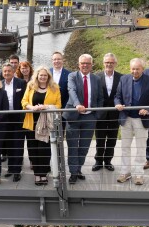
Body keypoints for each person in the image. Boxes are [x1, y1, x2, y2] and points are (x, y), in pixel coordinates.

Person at [114, 58, 149, 186]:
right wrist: (117, 104)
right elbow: (117, 96)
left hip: (142, 120)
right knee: (125, 147)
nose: (135, 71)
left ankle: (139, 174)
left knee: (141, 148)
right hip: (126, 118)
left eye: (137, 69)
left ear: (142, 69)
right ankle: (125, 172)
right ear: (130, 68)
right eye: (133, 69)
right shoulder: (124, 79)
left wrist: (148, 110)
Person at [64, 54, 104, 184]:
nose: (85, 65)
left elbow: (100, 98)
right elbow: (72, 90)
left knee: (84, 147)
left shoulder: (96, 79)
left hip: (90, 118)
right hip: (74, 117)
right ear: (78, 64)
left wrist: (96, 115)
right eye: (82, 63)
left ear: (92, 64)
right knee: (73, 147)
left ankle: (78, 169)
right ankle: (73, 173)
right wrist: (77, 104)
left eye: (87, 63)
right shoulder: (72, 76)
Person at [22, 67, 61, 185]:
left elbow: (59, 105)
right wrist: (32, 107)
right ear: (37, 76)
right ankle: (36, 174)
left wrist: (46, 107)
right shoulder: (30, 86)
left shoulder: (55, 88)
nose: (43, 77)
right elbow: (24, 102)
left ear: (48, 77)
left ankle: (43, 174)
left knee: (44, 149)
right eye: (41, 75)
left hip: (46, 124)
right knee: (33, 149)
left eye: (45, 75)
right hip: (31, 122)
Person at [93, 53, 122, 172]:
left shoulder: (122, 77)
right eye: (107, 62)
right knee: (100, 138)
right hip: (101, 113)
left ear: (115, 63)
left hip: (115, 113)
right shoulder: (96, 77)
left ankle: (108, 161)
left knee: (112, 138)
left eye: (111, 62)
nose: (109, 64)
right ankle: (98, 161)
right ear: (103, 63)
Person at [1, 63, 27, 182]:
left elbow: (25, 99)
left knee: (17, 144)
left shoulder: (21, 83)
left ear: (13, 72)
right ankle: (10, 168)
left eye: (9, 71)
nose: (6, 73)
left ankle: (17, 170)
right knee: (8, 144)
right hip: (4, 119)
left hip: (17, 118)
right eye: (5, 71)